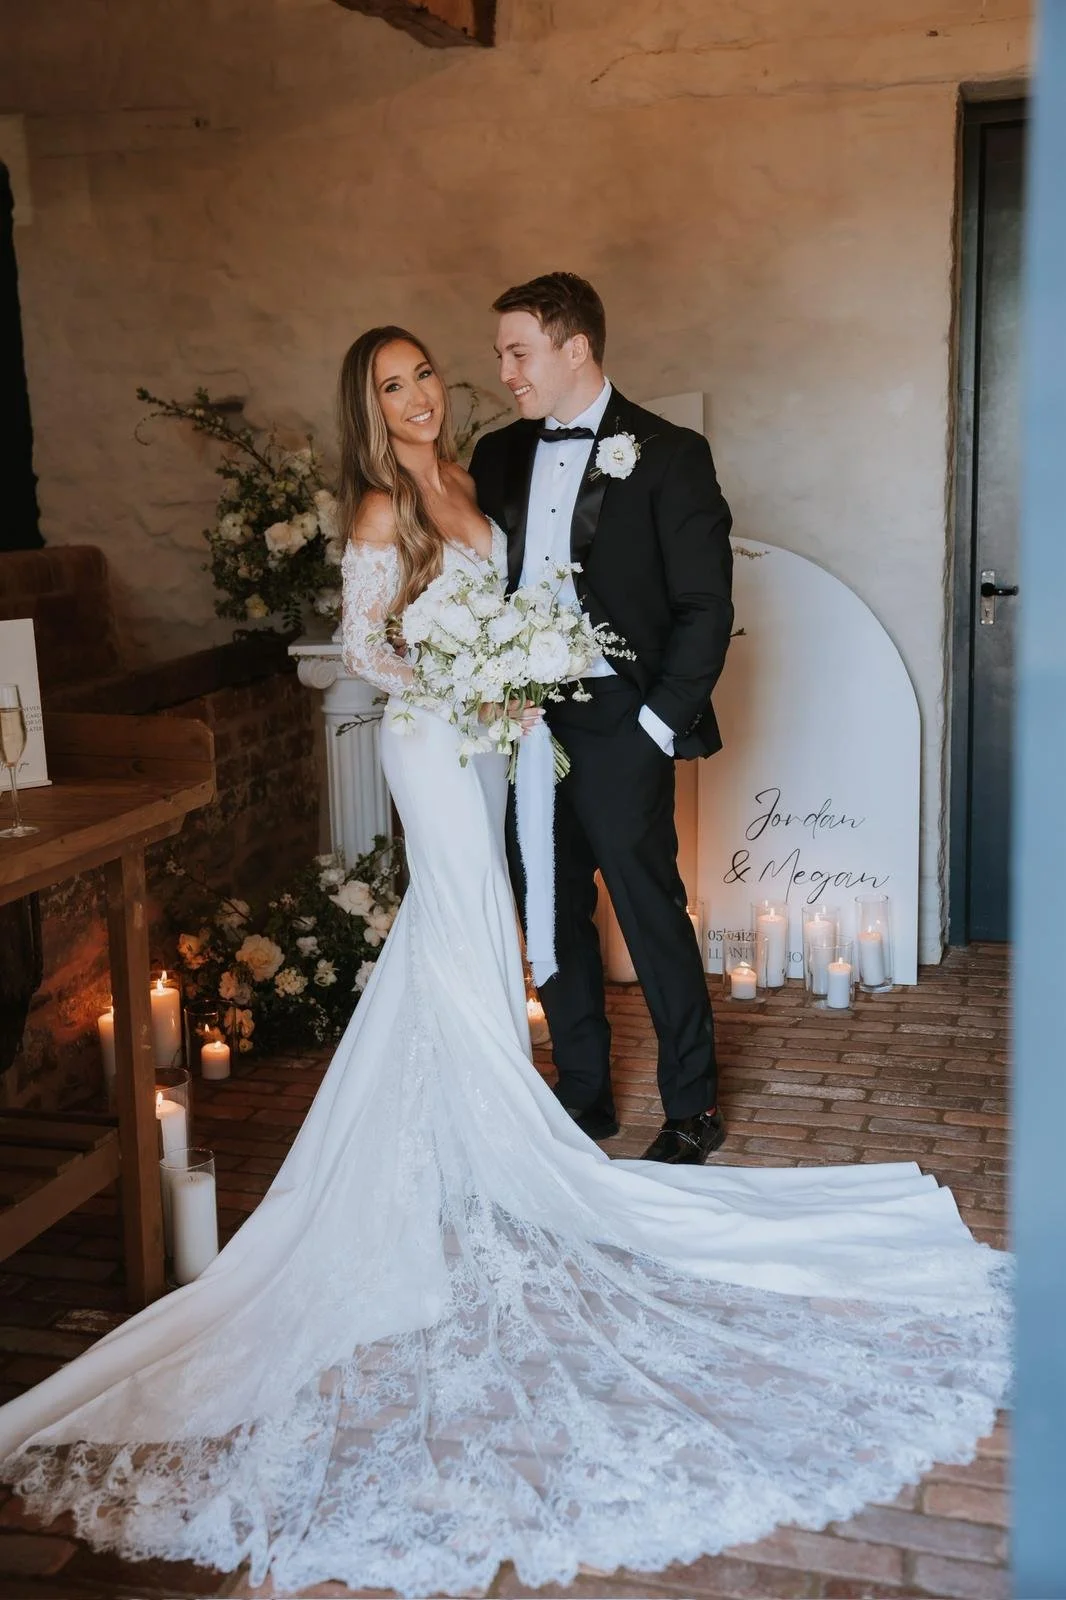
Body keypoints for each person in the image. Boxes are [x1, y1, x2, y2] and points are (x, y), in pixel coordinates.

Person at [0, 326, 1009, 1600]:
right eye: (393, 383)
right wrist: (466, 676)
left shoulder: (473, 477)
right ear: (367, 406)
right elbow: (365, 645)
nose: (422, 395)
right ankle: (466, 1157)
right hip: (435, 738)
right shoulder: (381, 498)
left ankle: (484, 1139)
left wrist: (508, 681)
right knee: (458, 917)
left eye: (430, 374)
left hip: (489, 739)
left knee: (483, 930)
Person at [469, 272, 733, 1163]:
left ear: (574, 346)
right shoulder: (497, 456)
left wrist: (658, 725)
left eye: (518, 351)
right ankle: (581, 1097)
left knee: (649, 907)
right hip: (524, 718)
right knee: (550, 906)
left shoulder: (667, 452)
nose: (504, 370)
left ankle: (692, 1106)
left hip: (622, 715)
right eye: (501, 353)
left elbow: (704, 604)